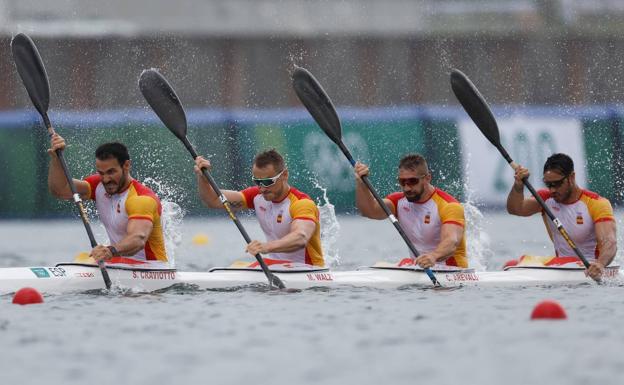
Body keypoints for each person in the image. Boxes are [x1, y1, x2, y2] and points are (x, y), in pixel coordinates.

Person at [48, 134, 169, 266]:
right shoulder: (97, 185)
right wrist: (56, 159)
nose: (105, 179)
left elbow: (138, 239)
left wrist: (109, 251)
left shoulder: (141, 199)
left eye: (111, 172)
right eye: (101, 173)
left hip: (151, 268)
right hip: (119, 263)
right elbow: (60, 190)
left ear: (126, 165)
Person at [194, 149, 324, 267]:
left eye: (268, 182)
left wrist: (266, 247)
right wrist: (203, 178)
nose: (262, 188)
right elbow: (214, 200)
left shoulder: (301, 204)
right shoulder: (257, 196)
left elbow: (301, 237)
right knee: (237, 265)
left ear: (284, 175)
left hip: (308, 270)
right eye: (257, 182)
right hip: (278, 268)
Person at [506, 153, 616, 280]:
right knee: (523, 260)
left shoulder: (596, 203)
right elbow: (515, 209)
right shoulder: (545, 199)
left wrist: (600, 264)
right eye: (548, 184)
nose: (552, 190)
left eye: (557, 184)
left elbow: (610, 242)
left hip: (591, 270)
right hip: (561, 267)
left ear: (571, 177)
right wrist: (518, 186)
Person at [354, 154, 468, 269]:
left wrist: (433, 256)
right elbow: (369, 211)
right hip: (419, 268)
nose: (407, 188)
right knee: (380, 264)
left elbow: (451, 241)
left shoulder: (449, 206)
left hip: (452, 274)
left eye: (413, 181)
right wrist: (361, 183)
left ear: (427, 178)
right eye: (402, 182)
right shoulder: (398, 202)